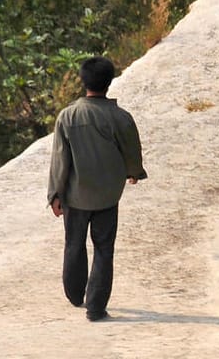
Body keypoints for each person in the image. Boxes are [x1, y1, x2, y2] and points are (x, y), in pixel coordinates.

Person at [46, 56, 147, 322]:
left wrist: (55, 194)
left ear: (83, 81)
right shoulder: (121, 117)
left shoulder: (68, 116)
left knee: (74, 244)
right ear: (109, 82)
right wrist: (134, 172)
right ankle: (96, 307)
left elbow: (59, 159)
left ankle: (75, 295)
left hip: (75, 196)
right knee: (103, 248)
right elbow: (131, 150)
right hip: (107, 196)